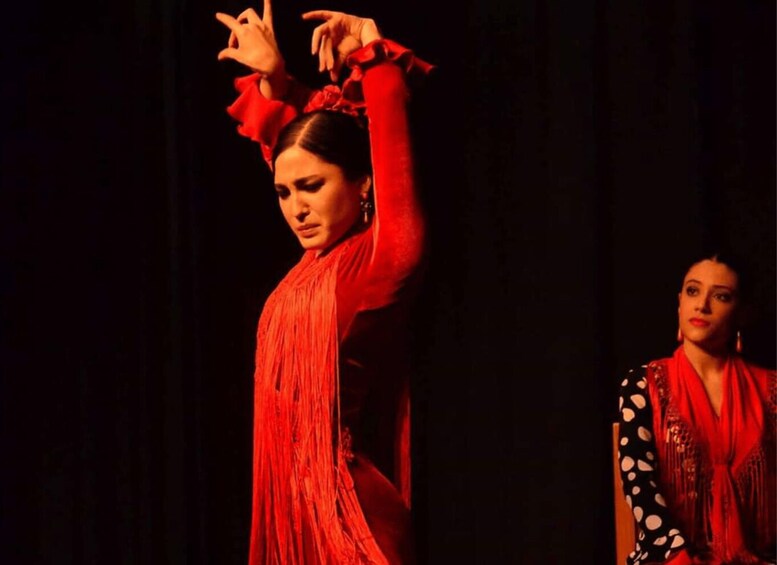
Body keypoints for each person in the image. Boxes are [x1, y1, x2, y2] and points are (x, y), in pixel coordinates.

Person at [215, 3, 432, 564]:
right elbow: (299, 149)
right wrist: (277, 82)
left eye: (310, 188)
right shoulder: (310, 267)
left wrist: (372, 50)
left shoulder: (381, 260)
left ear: (363, 184)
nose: (296, 209)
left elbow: (382, 146)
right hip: (288, 520)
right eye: (283, 194)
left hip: (349, 521)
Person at [617, 253, 776, 564]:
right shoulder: (643, 385)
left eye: (720, 296)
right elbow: (639, 485)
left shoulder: (771, 391)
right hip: (668, 557)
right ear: (679, 302)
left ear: (741, 313)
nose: (702, 305)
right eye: (693, 291)